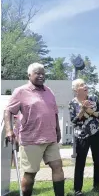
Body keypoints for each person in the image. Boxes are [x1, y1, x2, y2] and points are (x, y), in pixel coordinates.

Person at [4, 63, 64, 196]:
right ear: (29, 75)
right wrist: (9, 131)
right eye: (38, 73)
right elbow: (8, 110)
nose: (41, 75)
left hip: (50, 138)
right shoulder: (20, 91)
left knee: (58, 167)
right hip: (31, 139)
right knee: (30, 174)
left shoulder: (49, 92)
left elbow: (54, 113)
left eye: (43, 73)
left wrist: (58, 131)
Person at [68, 79, 99, 196]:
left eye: (85, 84)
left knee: (97, 160)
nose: (85, 86)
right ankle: (77, 190)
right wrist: (82, 111)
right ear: (75, 89)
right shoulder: (72, 103)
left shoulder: (94, 99)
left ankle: (96, 186)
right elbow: (74, 121)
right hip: (81, 136)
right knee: (80, 163)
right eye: (81, 85)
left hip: (95, 133)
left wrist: (88, 111)